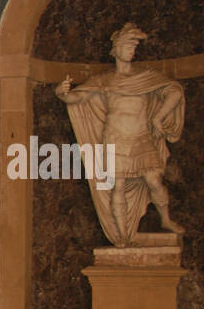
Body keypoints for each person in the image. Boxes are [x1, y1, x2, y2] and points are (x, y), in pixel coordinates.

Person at [55, 22, 185, 247]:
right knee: (119, 185)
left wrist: (158, 117)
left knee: (154, 180)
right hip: (116, 138)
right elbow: (77, 98)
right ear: (116, 49)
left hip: (142, 136)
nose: (132, 51)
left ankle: (165, 219)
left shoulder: (146, 77)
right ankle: (122, 237)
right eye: (128, 46)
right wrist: (62, 93)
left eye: (134, 48)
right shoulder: (104, 80)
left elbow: (175, 91)